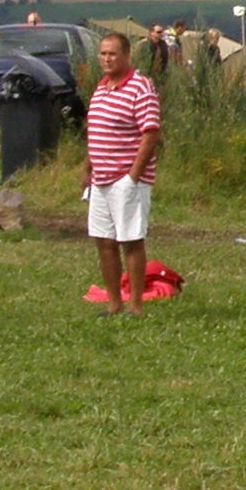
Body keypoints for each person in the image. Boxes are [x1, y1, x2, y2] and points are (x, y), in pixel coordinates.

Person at [84, 30, 163, 314]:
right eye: (103, 54)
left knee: (130, 239)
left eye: (112, 54)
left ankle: (135, 305)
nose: (106, 59)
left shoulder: (140, 87)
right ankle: (114, 302)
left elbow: (151, 133)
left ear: (126, 56)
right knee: (104, 241)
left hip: (126, 179)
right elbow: (94, 133)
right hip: (100, 180)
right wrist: (88, 169)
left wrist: (133, 176)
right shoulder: (101, 88)